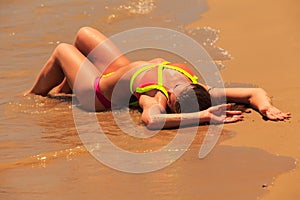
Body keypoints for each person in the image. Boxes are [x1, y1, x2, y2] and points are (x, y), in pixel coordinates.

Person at [26, 27, 291, 129]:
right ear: (194, 87)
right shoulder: (204, 90)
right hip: (125, 71)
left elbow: (151, 120)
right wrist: (265, 106)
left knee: (63, 50)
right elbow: (253, 92)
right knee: (84, 34)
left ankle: (31, 96)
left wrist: (204, 117)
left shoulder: (156, 97)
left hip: (96, 93)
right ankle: (63, 88)